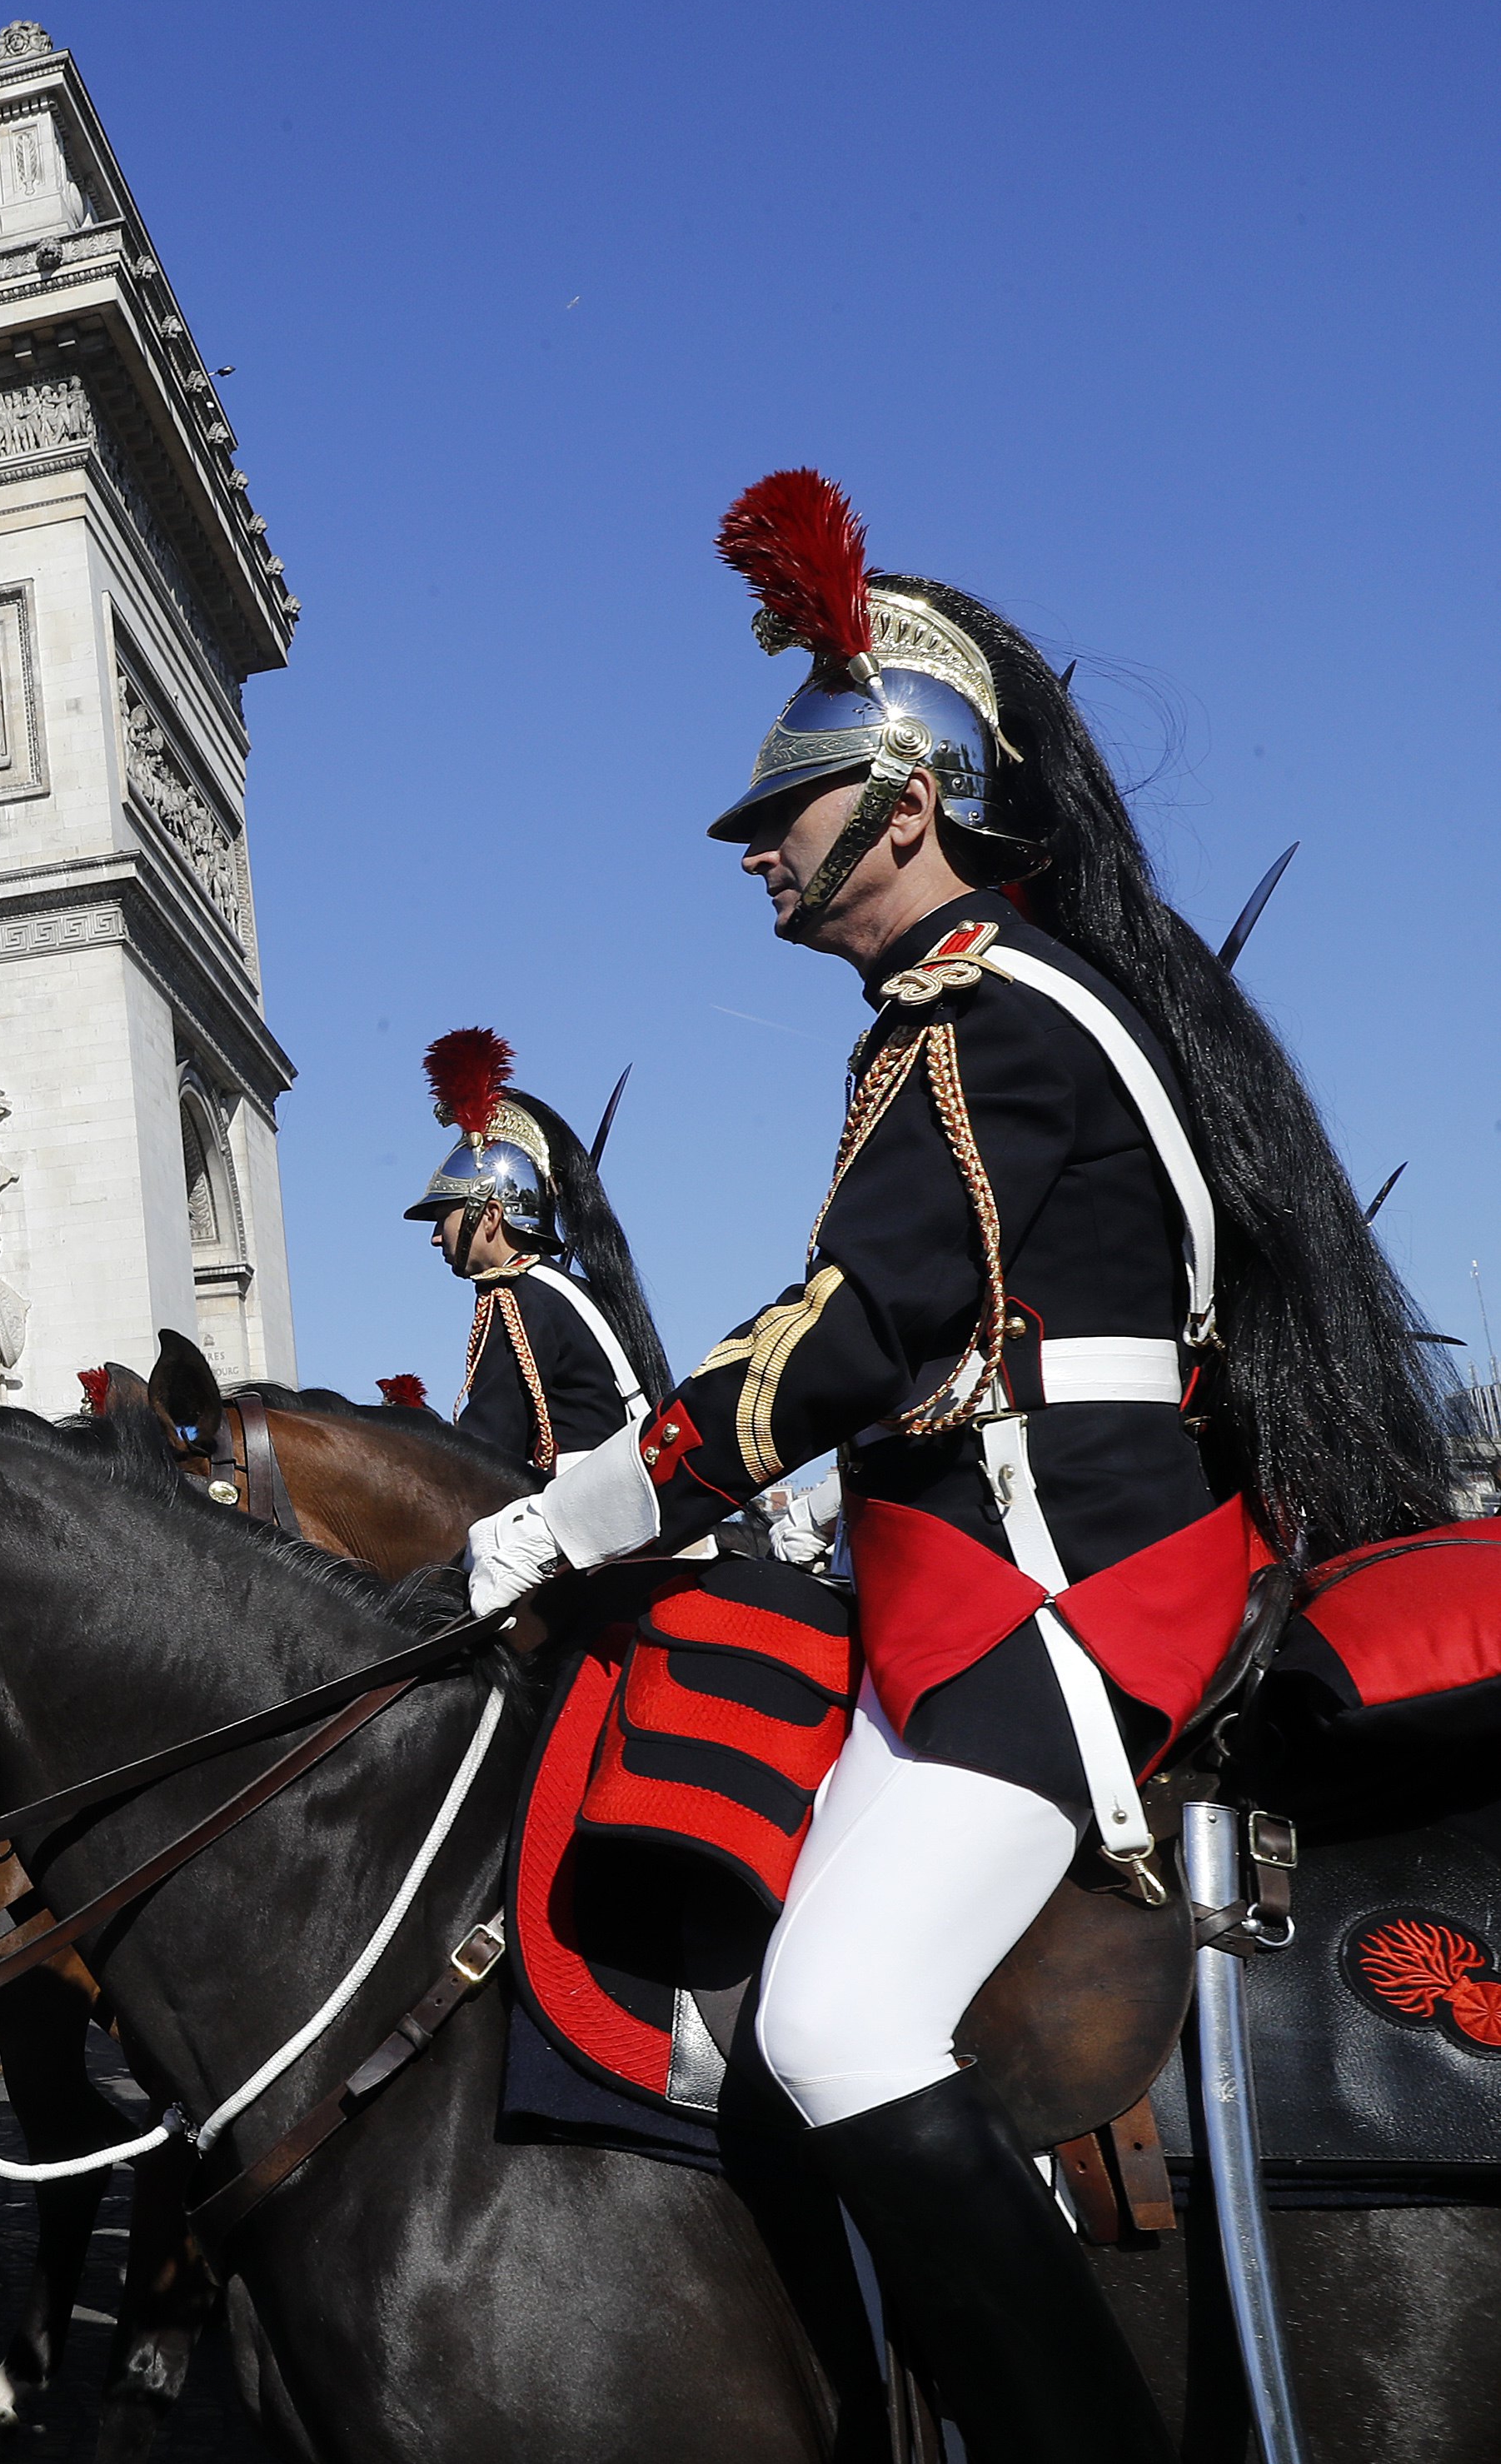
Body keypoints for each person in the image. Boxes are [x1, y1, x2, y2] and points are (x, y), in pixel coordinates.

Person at [459, 473, 1453, 2464]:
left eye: (783, 813)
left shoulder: (986, 1013)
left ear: (903, 800)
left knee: (833, 2019)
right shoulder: (956, 1015)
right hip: (966, 1564)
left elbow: (856, 1330)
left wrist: (583, 1503)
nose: (754, 852)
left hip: (1059, 1583)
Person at [404, 1030, 671, 1478]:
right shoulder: (558, 1288)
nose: (436, 1237)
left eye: (442, 1216)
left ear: (489, 1216)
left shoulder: (516, 1295)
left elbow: (487, 1445)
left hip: (587, 1499)